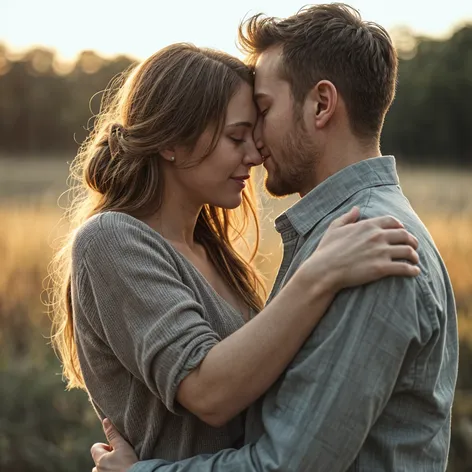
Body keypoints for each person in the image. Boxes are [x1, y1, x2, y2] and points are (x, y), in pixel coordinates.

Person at [91, 3, 458, 472]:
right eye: (237, 133)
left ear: (321, 104)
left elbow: (286, 465)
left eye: (263, 110)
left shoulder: (369, 245)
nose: (257, 143)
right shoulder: (341, 241)